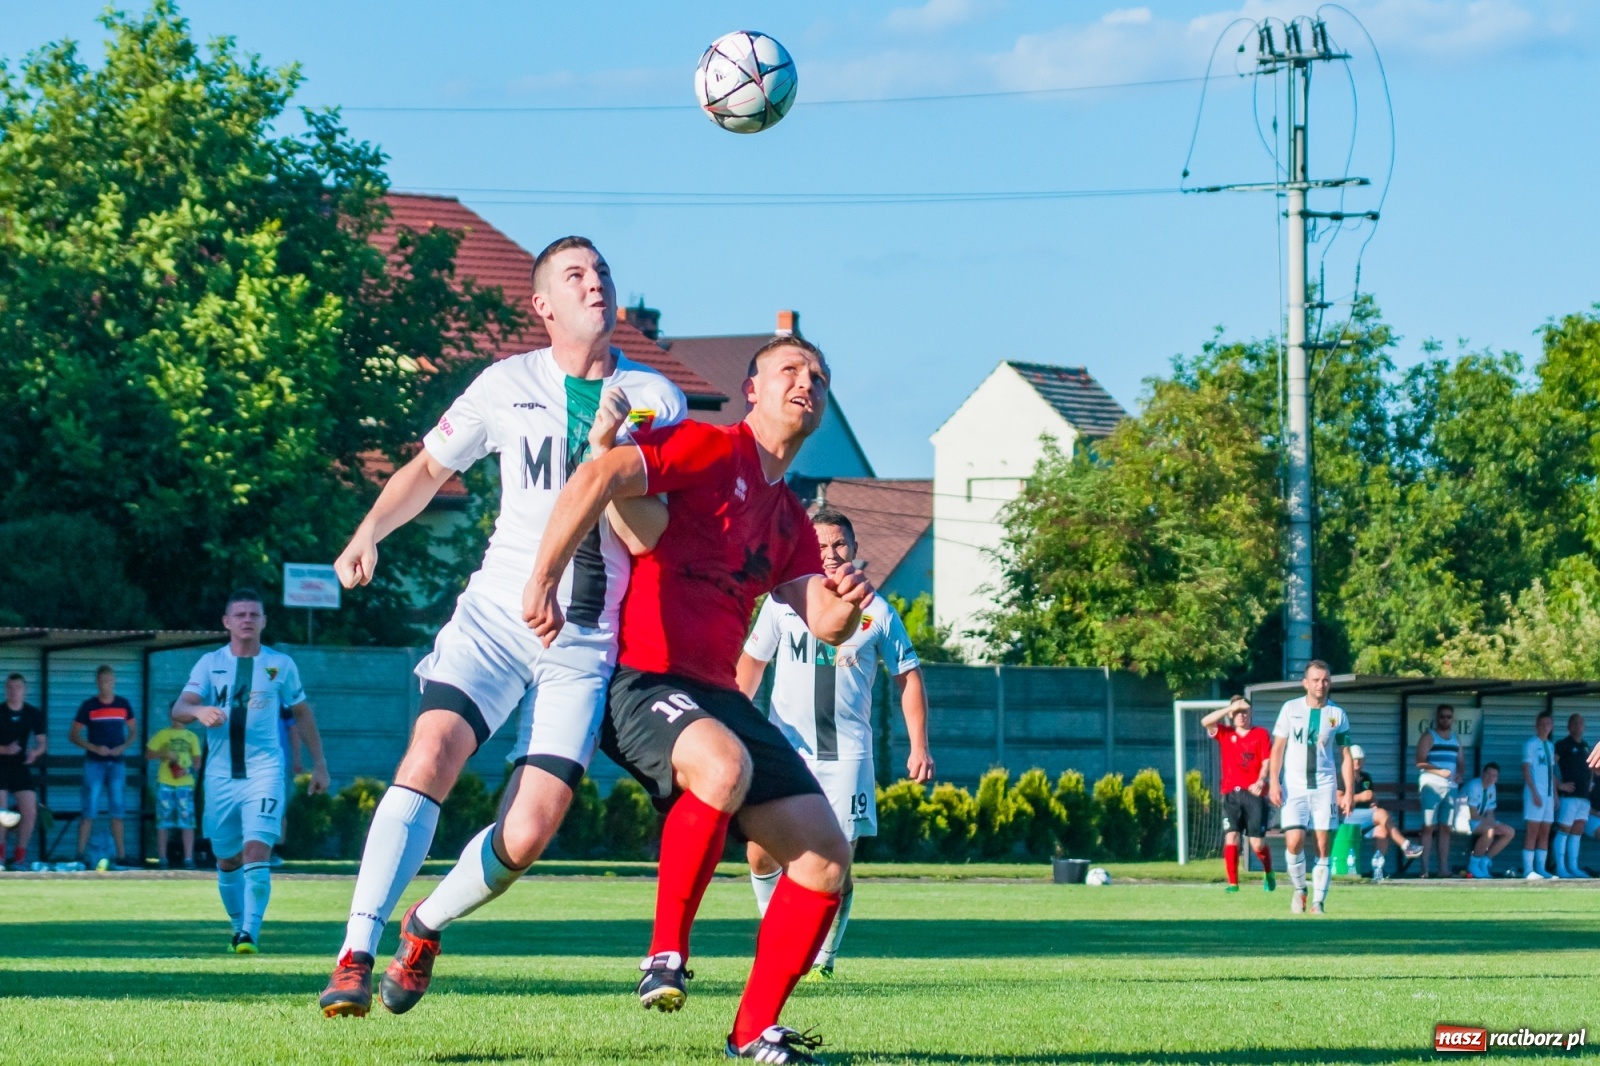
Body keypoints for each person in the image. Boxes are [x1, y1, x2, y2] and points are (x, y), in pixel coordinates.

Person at [318, 236, 687, 1018]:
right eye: (575, 276)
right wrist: (370, 530)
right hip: (495, 616)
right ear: (543, 305)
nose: (597, 285)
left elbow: (651, 532)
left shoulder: (654, 395)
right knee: (431, 752)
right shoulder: (504, 383)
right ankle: (354, 950)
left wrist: (606, 457)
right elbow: (429, 469)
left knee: (530, 830)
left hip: (582, 641)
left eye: (603, 273)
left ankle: (425, 925)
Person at [525, 334, 872, 1063]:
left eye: (818, 375)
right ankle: (664, 955)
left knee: (825, 859)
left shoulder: (789, 518)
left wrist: (848, 600)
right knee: (721, 767)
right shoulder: (714, 449)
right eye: (790, 371)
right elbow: (603, 474)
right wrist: (542, 579)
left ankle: (753, 1031)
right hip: (642, 678)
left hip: (715, 693)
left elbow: (826, 622)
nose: (806, 383)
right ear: (752, 390)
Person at [736, 506, 935, 977]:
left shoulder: (878, 612)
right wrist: (732, 722)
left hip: (847, 758)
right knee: (759, 849)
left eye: (839, 544)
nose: (829, 554)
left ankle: (823, 955)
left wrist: (919, 746)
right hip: (787, 751)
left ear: (855, 549)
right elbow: (751, 664)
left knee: (836, 864)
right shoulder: (783, 603)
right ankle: (776, 933)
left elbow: (908, 676)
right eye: (821, 545)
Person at [174, 589, 330, 952]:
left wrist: (319, 764)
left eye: (254, 614)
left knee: (257, 850)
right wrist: (199, 712)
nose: (247, 619)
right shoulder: (209, 663)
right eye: (240, 614)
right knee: (227, 858)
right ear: (226, 622)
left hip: (265, 771)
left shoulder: (281, 664)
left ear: (263, 622)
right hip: (219, 777)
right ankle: (237, 926)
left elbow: (302, 713)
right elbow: (180, 707)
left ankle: (249, 933)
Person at [1268, 660, 1354, 916]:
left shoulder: (1337, 714)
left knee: (1322, 844)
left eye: (1325, 679)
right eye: (1315, 680)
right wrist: (1274, 781)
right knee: (1293, 842)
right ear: (1305, 683)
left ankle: (1318, 903)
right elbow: (1278, 748)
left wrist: (1348, 791)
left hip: (1324, 787)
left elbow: (1346, 755)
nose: (1321, 684)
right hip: (1294, 787)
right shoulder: (1290, 709)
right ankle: (1299, 889)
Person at [1199, 696, 1274, 893]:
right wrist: (1229, 707)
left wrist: (1261, 780)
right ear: (1231, 714)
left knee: (1257, 844)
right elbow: (1205, 722)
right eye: (1237, 711)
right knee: (1231, 837)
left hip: (1254, 794)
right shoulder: (1225, 733)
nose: (1241, 715)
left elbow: (1267, 761)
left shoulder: (1260, 734)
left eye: (1245, 711)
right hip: (1231, 794)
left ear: (1251, 713)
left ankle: (1268, 871)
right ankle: (1233, 883)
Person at [69, 665, 137, 869]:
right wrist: (93, 747)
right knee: (89, 809)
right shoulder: (88, 706)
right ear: (97, 682)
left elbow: (133, 732)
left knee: (118, 809)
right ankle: (80, 854)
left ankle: (121, 855)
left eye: (109, 680)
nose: (106, 684)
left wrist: (123, 747)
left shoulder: (123, 704)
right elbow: (73, 734)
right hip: (94, 763)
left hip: (117, 763)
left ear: (114, 681)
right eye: (102, 680)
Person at [1342, 744, 1422, 882]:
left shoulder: (1366, 778)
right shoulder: (1341, 777)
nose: (1358, 762)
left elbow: (1373, 797)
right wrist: (1360, 797)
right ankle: (1406, 846)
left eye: (1360, 759)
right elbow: (1338, 802)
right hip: (1347, 818)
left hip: (1365, 818)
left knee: (1382, 830)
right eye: (1355, 759)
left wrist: (1373, 802)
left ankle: (1376, 868)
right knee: (1381, 813)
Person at [0, 673, 47, 869]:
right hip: (1, 765)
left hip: (21, 766)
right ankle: (1, 857)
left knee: (30, 811)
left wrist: (34, 752)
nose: (14, 691)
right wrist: (4, 749)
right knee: (1, 812)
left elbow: (42, 743)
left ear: (24, 690)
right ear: (6, 690)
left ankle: (19, 858)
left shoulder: (33, 713)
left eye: (18, 687)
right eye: (10, 688)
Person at [145, 716, 204, 868]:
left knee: (187, 822)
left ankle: (188, 859)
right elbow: (148, 754)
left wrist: (185, 771)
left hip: (185, 784)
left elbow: (197, 762)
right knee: (163, 821)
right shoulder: (163, 734)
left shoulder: (192, 736)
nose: (177, 719)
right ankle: (163, 858)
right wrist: (162, 753)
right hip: (165, 783)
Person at [1414, 703, 1462, 878]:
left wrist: (1460, 774)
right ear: (1437, 718)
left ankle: (1443, 869)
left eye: (1449, 716)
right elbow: (1420, 761)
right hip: (1431, 785)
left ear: (1453, 719)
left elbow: (1460, 761)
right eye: (1442, 716)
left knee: (1446, 828)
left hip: (1451, 787)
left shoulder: (1455, 738)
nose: (1445, 719)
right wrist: (1438, 771)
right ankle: (1424, 869)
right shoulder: (1429, 736)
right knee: (1428, 827)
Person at [1457, 762, 1513, 878]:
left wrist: (1493, 824)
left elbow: (1490, 812)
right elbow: (1473, 814)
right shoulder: (1474, 785)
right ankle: (1473, 864)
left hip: (1480, 821)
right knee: (1490, 831)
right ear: (1482, 773)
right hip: (1464, 820)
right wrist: (1492, 825)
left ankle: (1485, 860)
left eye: (1494, 775)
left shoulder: (1492, 787)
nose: (1490, 778)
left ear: (1497, 778)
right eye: (1488, 774)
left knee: (1509, 831)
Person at [1552, 714, 1590, 879]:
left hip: (1584, 797)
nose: (1578, 726)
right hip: (1569, 797)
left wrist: (1592, 783)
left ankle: (1573, 867)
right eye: (1575, 723)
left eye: (1581, 723)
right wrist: (1559, 785)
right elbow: (1549, 766)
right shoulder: (1562, 744)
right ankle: (1561, 868)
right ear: (1569, 726)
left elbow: (1590, 768)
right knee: (1564, 830)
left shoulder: (1586, 746)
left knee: (1577, 832)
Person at [1522, 710, 1558, 879]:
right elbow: (1526, 769)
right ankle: (1528, 870)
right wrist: (1534, 792)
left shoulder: (1551, 746)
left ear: (1551, 727)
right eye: (1542, 724)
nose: (1545, 727)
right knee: (1533, 831)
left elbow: (1551, 772)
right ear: (1536, 726)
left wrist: (1555, 795)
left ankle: (1541, 868)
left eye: (1548, 724)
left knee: (1545, 831)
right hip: (1535, 794)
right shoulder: (1530, 744)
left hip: (1549, 795)